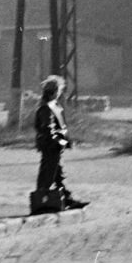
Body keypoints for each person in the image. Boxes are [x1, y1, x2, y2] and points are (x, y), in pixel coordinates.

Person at [32, 75, 87, 212]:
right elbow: (48, 130)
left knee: (56, 174)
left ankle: (64, 199)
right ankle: (42, 203)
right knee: (49, 175)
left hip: (53, 147)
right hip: (51, 147)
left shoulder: (52, 105)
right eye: (60, 90)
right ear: (55, 91)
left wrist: (64, 141)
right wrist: (61, 142)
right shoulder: (46, 107)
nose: (61, 93)